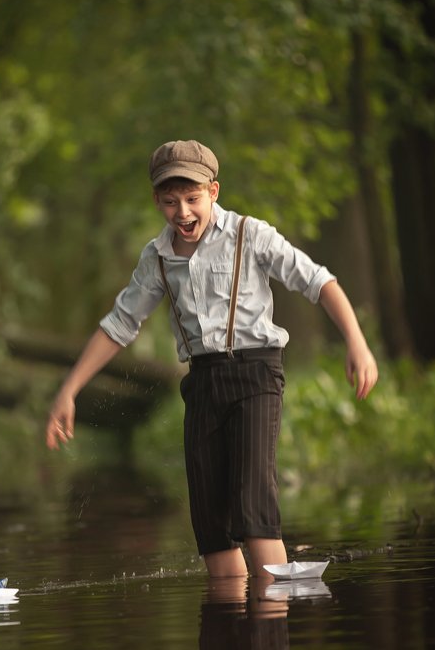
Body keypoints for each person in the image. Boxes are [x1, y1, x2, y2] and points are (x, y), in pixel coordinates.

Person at [46, 140, 378, 578]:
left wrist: (356, 340)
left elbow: (319, 282)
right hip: (202, 385)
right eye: (170, 202)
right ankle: (229, 627)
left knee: (253, 505)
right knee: (211, 523)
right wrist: (69, 390)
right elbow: (118, 325)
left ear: (213, 191)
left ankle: (270, 621)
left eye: (192, 199)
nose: (182, 212)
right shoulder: (157, 258)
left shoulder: (250, 235)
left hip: (257, 376)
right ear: (156, 201)